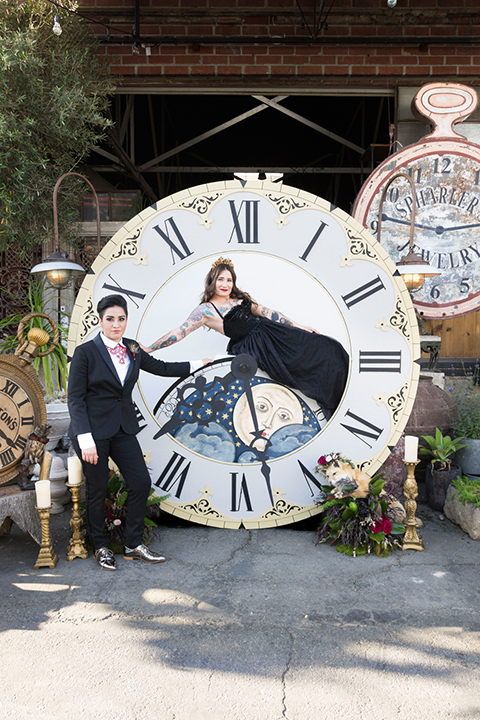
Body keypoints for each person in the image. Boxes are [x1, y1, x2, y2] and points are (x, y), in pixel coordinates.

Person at [68, 294, 207, 571]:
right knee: (97, 490)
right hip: (92, 433)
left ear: (126, 320)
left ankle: (132, 545)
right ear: (100, 321)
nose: (116, 325)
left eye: (121, 319)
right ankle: (101, 546)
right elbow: (75, 399)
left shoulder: (132, 348)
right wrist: (86, 440)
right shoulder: (85, 352)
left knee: (140, 482)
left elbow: (162, 368)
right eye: (110, 319)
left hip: (122, 428)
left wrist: (198, 364)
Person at [143, 257, 349, 419]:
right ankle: (331, 401)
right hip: (258, 347)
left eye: (229, 280)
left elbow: (268, 312)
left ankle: (344, 395)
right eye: (220, 279)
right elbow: (180, 331)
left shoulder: (240, 299)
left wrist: (298, 326)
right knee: (296, 372)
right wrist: (150, 349)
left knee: (328, 348)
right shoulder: (205, 310)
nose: (225, 284)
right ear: (212, 281)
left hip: (276, 334)